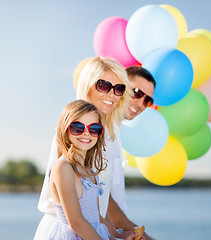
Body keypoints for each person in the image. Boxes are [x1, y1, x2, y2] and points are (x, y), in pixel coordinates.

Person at [34, 57, 150, 239]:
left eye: (119, 89)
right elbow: (76, 219)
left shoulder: (107, 136)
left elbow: (97, 209)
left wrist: (117, 235)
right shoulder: (72, 133)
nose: (112, 95)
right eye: (103, 86)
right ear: (88, 85)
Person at [46, 99, 111, 239]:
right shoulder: (63, 168)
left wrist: (119, 235)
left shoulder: (90, 172)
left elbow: (97, 218)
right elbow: (76, 222)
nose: (86, 133)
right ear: (65, 129)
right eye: (78, 127)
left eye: (94, 129)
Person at [107, 66, 156, 240]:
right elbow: (101, 198)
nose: (141, 104)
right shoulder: (96, 128)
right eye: (136, 92)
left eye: (148, 100)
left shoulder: (115, 132)